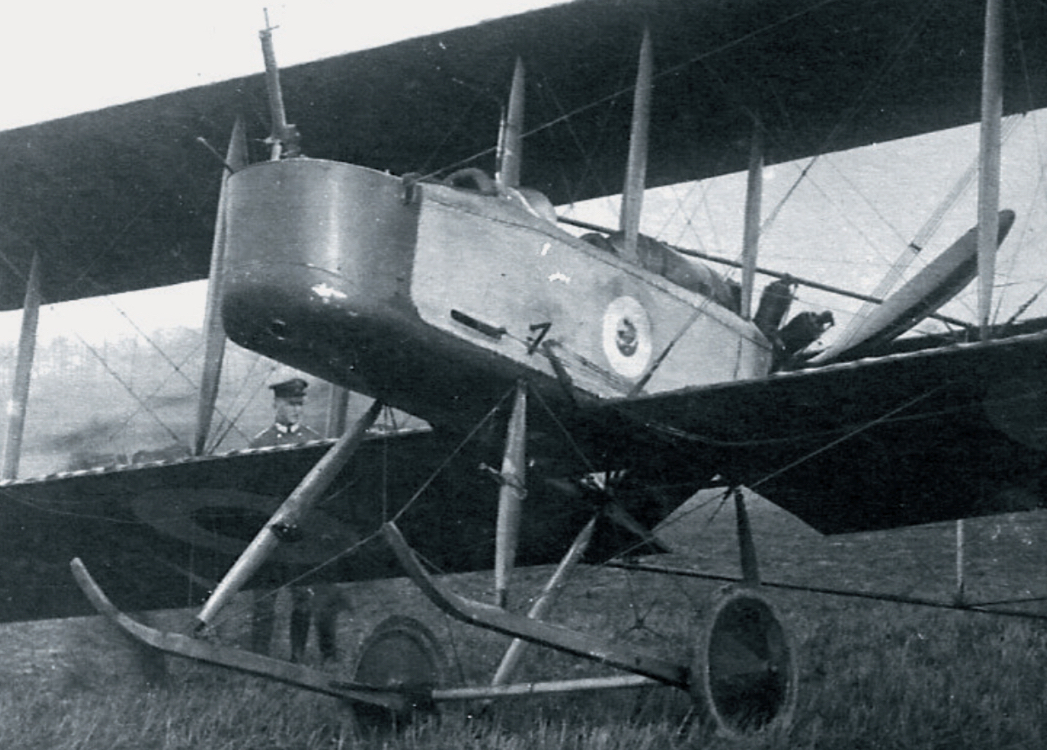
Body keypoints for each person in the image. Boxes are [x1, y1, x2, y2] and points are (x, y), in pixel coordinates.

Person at [248, 378, 343, 663]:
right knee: (264, 602)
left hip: (302, 538)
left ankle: (297, 659)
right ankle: (258, 662)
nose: (296, 410)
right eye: (291, 404)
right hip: (269, 536)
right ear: (275, 404)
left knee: (303, 599)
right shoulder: (259, 444)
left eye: (300, 404)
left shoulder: (313, 441)